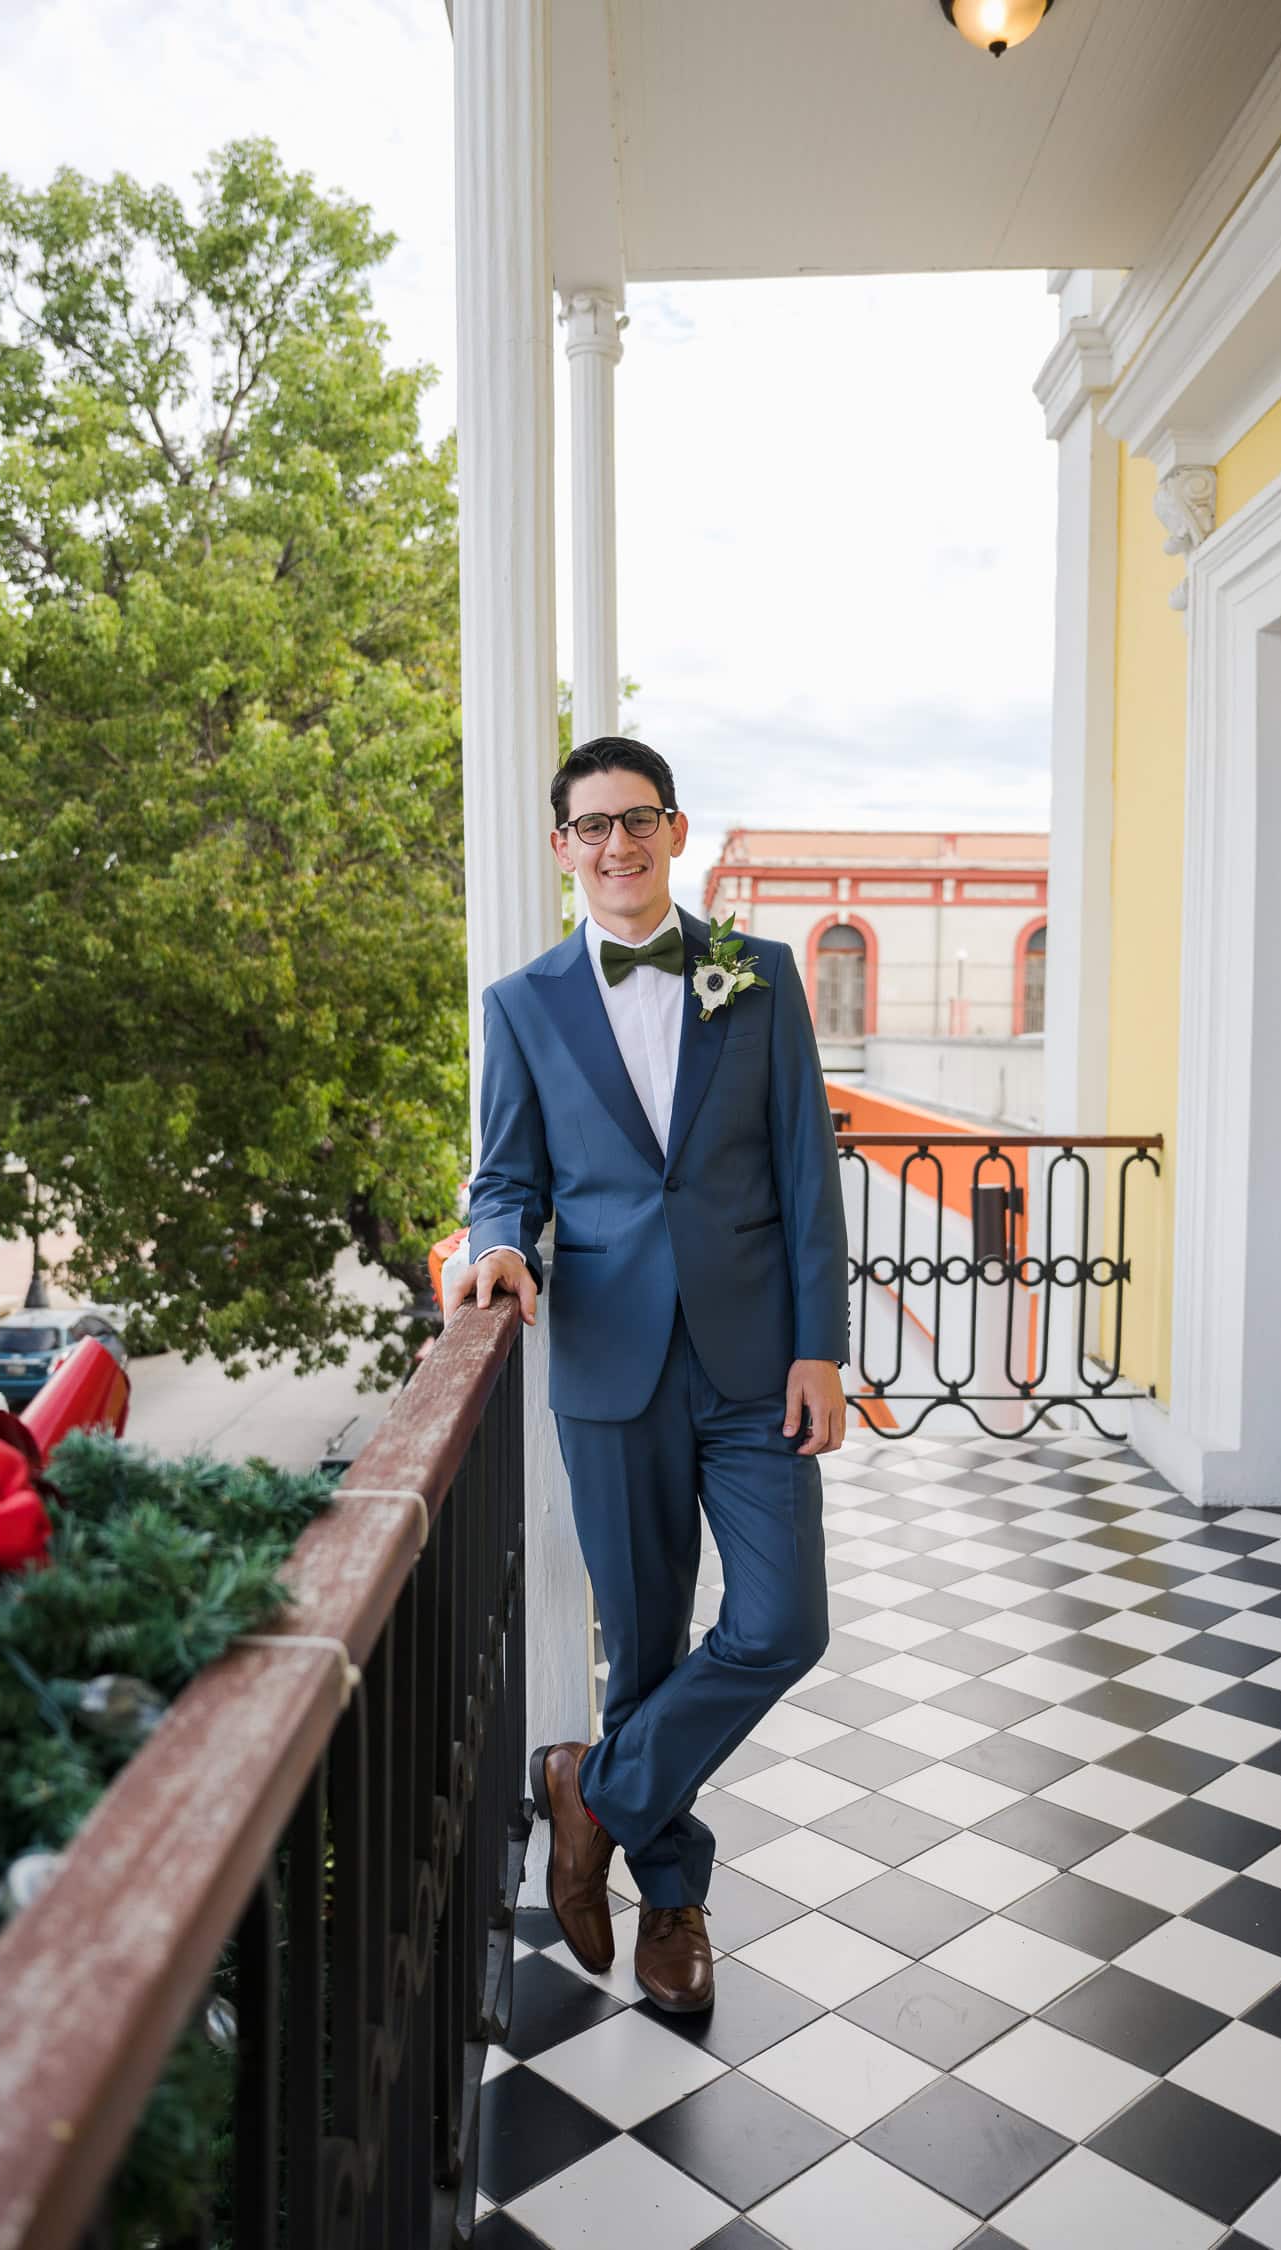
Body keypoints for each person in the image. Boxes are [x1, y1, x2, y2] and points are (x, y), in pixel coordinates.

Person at [447, 737, 848, 2012]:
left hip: (753, 1366)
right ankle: (675, 1901)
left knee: (784, 1622)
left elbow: (806, 1178)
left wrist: (822, 1346)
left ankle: (593, 1792)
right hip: (610, 1364)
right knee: (652, 1644)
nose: (616, 846)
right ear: (562, 846)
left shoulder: (759, 977)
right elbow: (507, 1175)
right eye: (591, 827)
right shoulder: (523, 1004)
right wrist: (501, 1250)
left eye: (638, 821)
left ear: (676, 831)